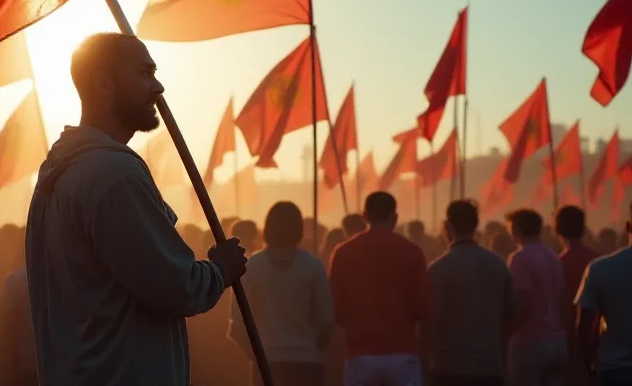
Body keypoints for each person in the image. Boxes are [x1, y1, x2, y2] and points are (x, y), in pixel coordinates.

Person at [26, 32, 247, 386]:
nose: (158, 88)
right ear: (103, 84)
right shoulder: (112, 174)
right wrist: (221, 270)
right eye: (144, 74)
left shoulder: (60, 173)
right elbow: (175, 286)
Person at [328, 191, 430, 385]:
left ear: (364, 216)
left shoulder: (343, 252)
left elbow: (337, 309)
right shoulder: (412, 252)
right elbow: (423, 308)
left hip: (360, 354)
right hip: (402, 354)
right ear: (395, 218)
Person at [229, 201, 334, 386]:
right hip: (307, 363)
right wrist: (308, 348)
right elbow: (326, 323)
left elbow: (237, 326)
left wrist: (256, 355)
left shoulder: (251, 267)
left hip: (266, 363)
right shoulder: (313, 266)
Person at [425, 200, 516, 386]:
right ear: (476, 226)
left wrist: (424, 361)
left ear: (446, 226)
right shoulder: (498, 264)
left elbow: (430, 321)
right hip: (490, 367)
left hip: (450, 368)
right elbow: (512, 315)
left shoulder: (439, 269)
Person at [577, 196, 632, 385]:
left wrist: (589, 364)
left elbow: (584, 325)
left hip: (614, 370)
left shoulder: (600, 268)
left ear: (628, 227)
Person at [505, 208, 568, 386]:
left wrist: (507, 333)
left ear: (517, 230)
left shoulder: (519, 258)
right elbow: (564, 299)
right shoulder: (553, 256)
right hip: (556, 340)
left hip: (530, 342)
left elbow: (523, 303)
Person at [555, 205, 601, 385]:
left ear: (557, 229)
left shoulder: (559, 263)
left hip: (569, 339)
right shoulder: (596, 260)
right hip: (596, 337)